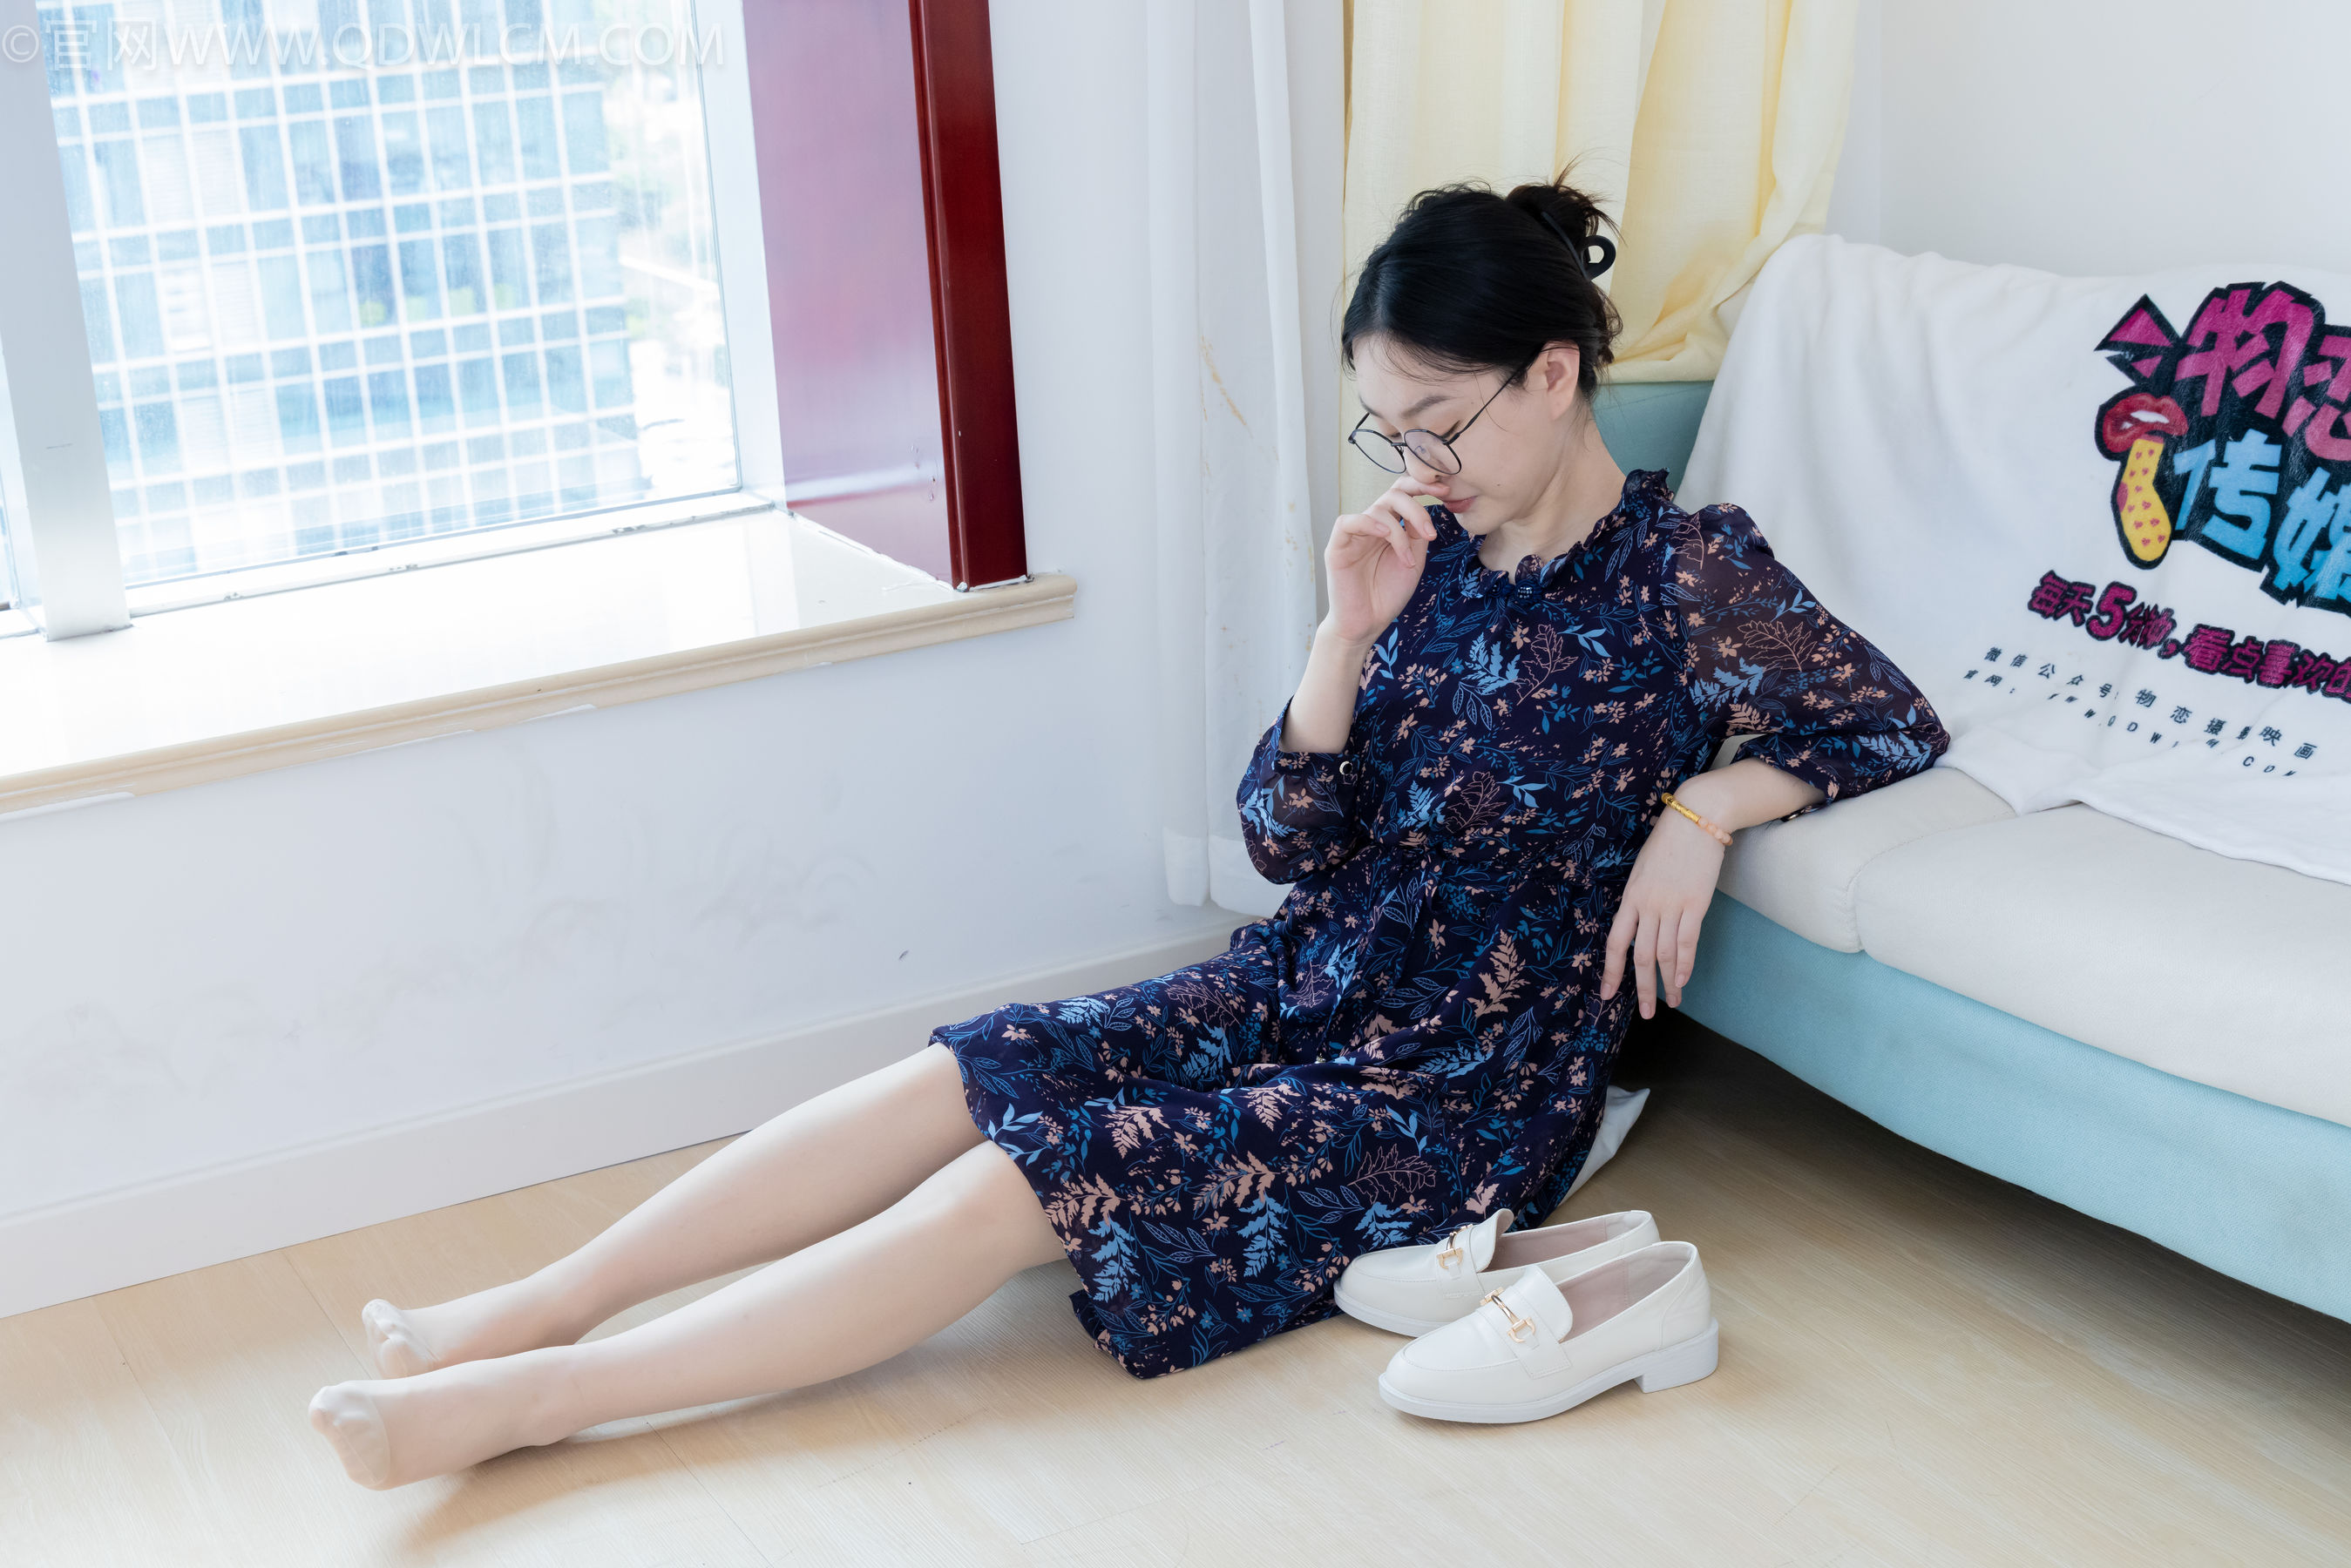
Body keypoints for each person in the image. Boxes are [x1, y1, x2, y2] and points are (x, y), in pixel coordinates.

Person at [308, 171, 1949, 1490]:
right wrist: (1340, 643)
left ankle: (541, 1405)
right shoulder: (1424, 557)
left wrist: (1702, 807)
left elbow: (1884, 722)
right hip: (1302, 976)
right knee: (969, 1069)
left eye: (1439, 421)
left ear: (1553, 374)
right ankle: (537, 1307)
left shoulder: (1686, 575)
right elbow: (1288, 847)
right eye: (1388, 430)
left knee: (1020, 1180)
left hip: (1460, 1081)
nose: (1416, 463)